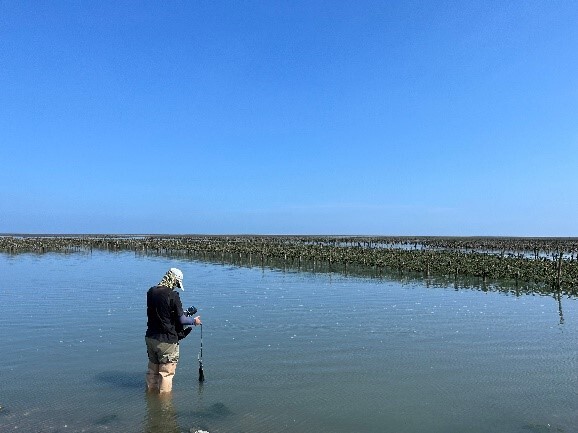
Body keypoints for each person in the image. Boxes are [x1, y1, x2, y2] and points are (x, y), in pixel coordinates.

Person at [145, 267, 201, 394]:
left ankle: (150, 399)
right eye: (176, 284)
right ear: (174, 281)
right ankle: (164, 408)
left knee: (152, 372)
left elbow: (161, 314)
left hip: (150, 338)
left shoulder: (151, 292)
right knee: (166, 374)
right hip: (167, 341)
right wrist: (194, 321)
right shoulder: (173, 295)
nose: (176, 287)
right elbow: (182, 320)